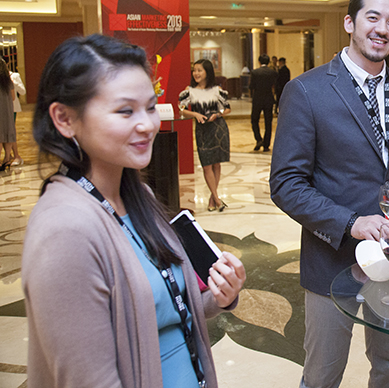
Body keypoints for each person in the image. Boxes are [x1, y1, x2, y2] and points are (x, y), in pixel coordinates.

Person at [22, 34, 245, 387]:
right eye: (125, 111)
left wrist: (220, 296)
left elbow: (163, 313)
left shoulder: (139, 195)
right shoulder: (64, 230)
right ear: (64, 119)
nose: (147, 124)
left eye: (150, 107)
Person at [270, 0, 389, 388]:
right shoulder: (306, 91)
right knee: (323, 374)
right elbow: (286, 183)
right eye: (373, 17)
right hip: (333, 260)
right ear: (350, 23)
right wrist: (352, 222)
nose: (382, 29)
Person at [179, 59, 232, 212]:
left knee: (216, 164)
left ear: (207, 72)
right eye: (194, 70)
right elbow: (181, 109)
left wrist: (218, 114)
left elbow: (227, 109)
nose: (196, 73)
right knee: (206, 165)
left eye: (199, 70)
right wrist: (195, 114)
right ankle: (217, 199)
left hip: (218, 129)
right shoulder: (189, 91)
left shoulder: (217, 90)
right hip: (202, 130)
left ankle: (212, 199)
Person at [249, 53, 278, 151]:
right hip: (268, 99)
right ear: (268, 62)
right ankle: (266, 144)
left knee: (254, 120)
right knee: (268, 122)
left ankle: (258, 139)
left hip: (257, 99)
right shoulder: (272, 72)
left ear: (259, 62)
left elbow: (251, 86)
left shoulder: (255, 72)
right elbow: (275, 85)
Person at [10, 65, 26, 165]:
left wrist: (13, 83)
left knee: (10, 131)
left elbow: (23, 91)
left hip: (11, 108)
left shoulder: (14, 76)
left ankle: (16, 155)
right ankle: (9, 155)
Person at [0, 59, 15, 170]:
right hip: (8, 110)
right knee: (8, 132)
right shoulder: (9, 81)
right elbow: (13, 97)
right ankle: (7, 159)